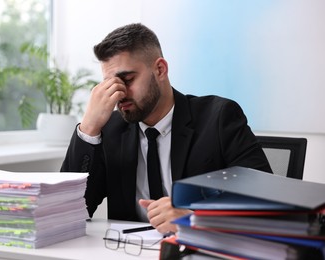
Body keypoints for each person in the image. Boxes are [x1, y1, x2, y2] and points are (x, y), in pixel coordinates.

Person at [60, 23, 272, 234]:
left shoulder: (218, 118)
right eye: (110, 84)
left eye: (127, 79)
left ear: (160, 69)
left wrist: (196, 218)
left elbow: (266, 199)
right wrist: (88, 128)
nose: (120, 93)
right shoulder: (111, 129)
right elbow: (68, 211)